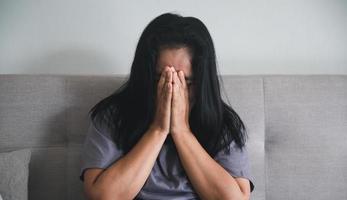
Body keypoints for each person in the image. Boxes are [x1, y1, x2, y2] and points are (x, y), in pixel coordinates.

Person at [79, 12, 255, 200]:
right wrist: (158, 129)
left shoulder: (222, 123)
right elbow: (102, 197)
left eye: (185, 82)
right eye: (161, 79)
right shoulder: (112, 116)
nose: (172, 89)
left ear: (202, 82)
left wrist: (182, 131)